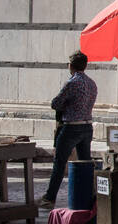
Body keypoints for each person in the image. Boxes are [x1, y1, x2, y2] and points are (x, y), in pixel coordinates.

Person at [39, 51, 98, 209]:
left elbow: (56, 103)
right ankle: (91, 195)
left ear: (70, 66)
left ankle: (49, 197)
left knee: (59, 163)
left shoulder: (72, 83)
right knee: (86, 162)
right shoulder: (92, 83)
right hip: (87, 126)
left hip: (71, 127)